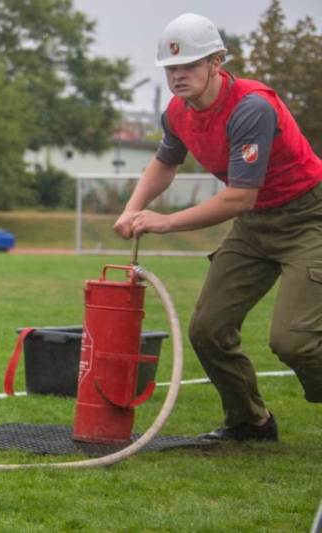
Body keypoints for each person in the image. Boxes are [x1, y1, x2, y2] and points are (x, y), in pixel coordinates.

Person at [113, 13, 322, 442]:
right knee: (207, 330)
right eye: (171, 68)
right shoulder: (177, 113)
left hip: (309, 219)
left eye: (189, 65)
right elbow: (165, 162)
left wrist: (164, 222)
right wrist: (132, 209)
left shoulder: (251, 107)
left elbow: (238, 197)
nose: (178, 76)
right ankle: (250, 422)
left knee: (294, 341)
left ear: (216, 62)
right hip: (255, 226)